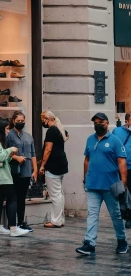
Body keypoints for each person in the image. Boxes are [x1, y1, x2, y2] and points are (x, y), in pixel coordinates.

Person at [76, 112, 128, 256]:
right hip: (93, 185)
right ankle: (89, 243)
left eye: (101, 122)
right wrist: (85, 178)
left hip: (110, 186)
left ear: (107, 123)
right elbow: (86, 159)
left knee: (116, 214)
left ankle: (122, 241)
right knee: (92, 214)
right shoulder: (90, 140)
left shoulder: (115, 141)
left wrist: (123, 183)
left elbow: (122, 161)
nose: (98, 125)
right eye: (96, 122)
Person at [0, 117, 29, 238]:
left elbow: (0, 157)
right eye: (6, 128)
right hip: (2, 176)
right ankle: (13, 228)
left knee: (0, 199)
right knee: (12, 199)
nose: (8, 131)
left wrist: (10, 155)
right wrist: (10, 149)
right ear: (0, 129)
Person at [6, 112, 37, 231]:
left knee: (22, 197)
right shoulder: (9, 136)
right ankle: (12, 223)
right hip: (14, 170)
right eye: (18, 121)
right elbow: (5, 152)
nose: (20, 123)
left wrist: (35, 170)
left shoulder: (28, 136)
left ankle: (21, 222)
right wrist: (16, 158)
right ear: (13, 121)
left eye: (22, 121)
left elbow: (33, 154)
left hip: (26, 170)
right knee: (13, 197)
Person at [39, 109, 68, 228]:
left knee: (55, 194)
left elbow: (48, 149)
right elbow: (67, 136)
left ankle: (55, 221)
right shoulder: (60, 129)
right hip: (61, 164)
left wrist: (42, 165)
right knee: (59, 193)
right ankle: (60, 219)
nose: (43, 123)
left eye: (43, 120)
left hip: (53, 165)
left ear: (48, 119)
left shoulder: (51, 131)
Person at [112, 112, 131, 229]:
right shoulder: (117, 132)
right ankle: (125, 213)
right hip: (121, 167)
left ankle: (129, 217)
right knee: (122, 192)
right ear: (127, 121)